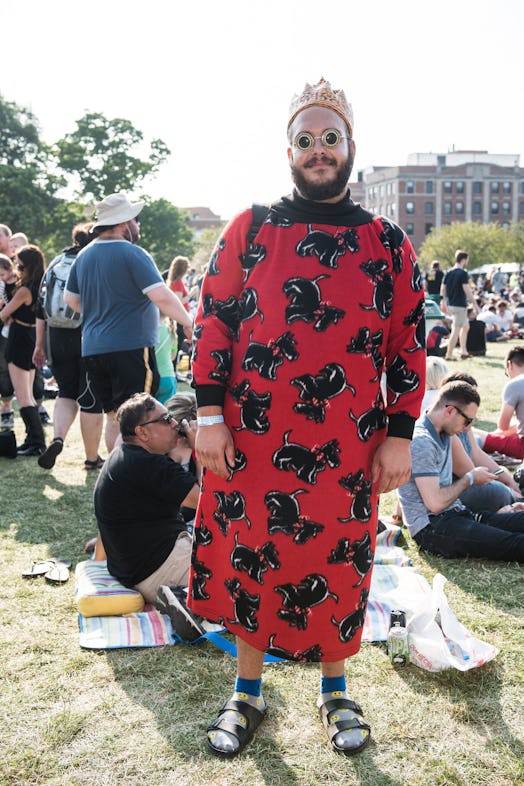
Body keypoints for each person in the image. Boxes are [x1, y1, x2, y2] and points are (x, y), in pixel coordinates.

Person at [188, 77, 426, 758]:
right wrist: (208, 414)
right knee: (254, 555)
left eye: (330, 138)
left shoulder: (388, 241)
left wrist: (401, 435)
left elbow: (408, 341)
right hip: (253, 438)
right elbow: (214, 321)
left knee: (339, 557)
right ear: (287, 150)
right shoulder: (252, 226)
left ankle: (334, 688)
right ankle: (247, 692)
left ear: (351, 147)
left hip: (350, 442)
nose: (318, 150)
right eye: (305, 140)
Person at [64, 193, 193, 452]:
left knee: (118, 417)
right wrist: (189, 323)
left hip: (93, 349)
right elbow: (162, 297)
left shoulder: (84, 255)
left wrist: (103, 311)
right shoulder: (133, 253)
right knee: (139, 416)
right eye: (136, 219)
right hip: (130, 348)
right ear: (124, 223)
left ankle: (115, 472)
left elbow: (71, 299)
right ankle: (127, 474)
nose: (139, 225)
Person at [398, 380, 524, 559]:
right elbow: (435, 504)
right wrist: (470, 479)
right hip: (432, 527)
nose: (468, 428)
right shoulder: (422, 441)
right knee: (512, 543)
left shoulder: (446, 433)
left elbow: (471, 467)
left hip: (457, 514)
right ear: (449, 411)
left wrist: (505, 485)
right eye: (468, 421)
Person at [93, 393, 200, 602]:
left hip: (134, 572)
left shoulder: (123, 454)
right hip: (160, 569)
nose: (175, 424)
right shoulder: (151, 465)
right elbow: (209, 504)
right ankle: (184, 600)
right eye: (166, 420)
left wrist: (97, 562)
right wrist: (202, 450)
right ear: (142, 432)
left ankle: (182, 599)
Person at [33, 222, 105, 470]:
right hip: (87, 335)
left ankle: (58, 438)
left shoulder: (57, 261)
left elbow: (41, 307)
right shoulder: (93, 260)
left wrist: (39, 345)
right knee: (90, 398)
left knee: (65, 392)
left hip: (56, 335)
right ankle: (92, 458)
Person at [0, 245, 47, 455]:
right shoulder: (40, 286)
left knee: (24, 395)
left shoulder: (25, 290)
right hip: (30, 337)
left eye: (19, 264)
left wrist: (6, 313)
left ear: (27, 266)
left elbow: (3, 314)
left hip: (19, 339)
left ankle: (36, 441)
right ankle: (32, 439)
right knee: (27, 393)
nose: (16, 268)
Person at [475, 345, 524, 460]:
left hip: (521, 448)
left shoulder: (515, 384)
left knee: (472, 433)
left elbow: (503, 425)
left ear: (509, 365)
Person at [440, 250, 478, 360]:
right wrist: (475, 303)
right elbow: (466, 289)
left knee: (465, 326)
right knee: (456, 329)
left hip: (451, 304)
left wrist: (443, 302)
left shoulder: (449, 272)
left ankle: (463, 350)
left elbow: (443, 288)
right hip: (460, 304)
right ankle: (449, 354)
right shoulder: (462, 273)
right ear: (464, 259)